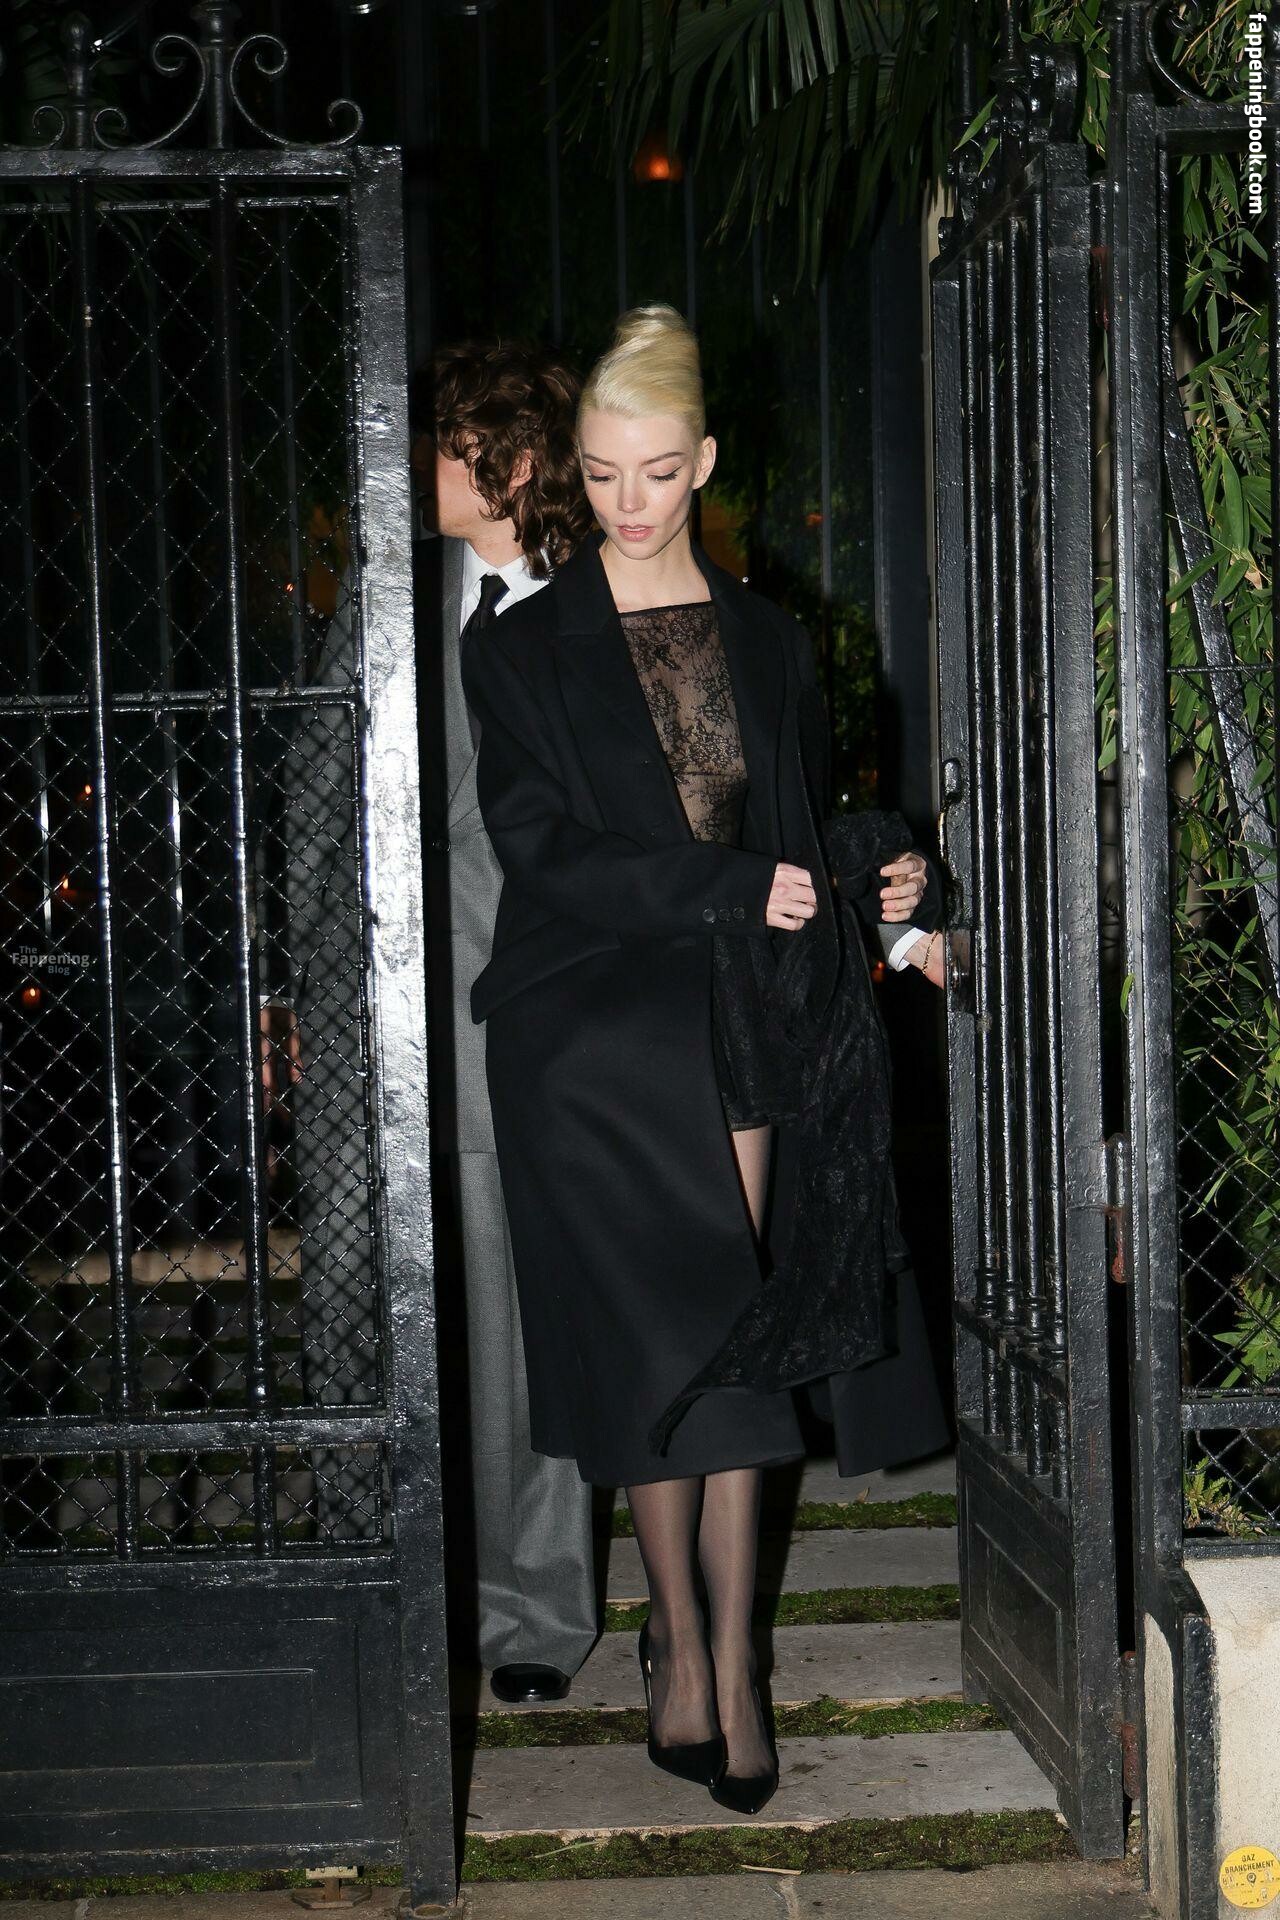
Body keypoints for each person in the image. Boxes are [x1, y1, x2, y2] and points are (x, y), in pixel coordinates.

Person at [461, 304, 946, 1811]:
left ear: (706, 462)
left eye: (659, 472)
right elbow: (542, 853)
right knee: (655, 1343)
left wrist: (892, 890)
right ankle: (677, 1633)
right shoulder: (522, 648)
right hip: (588, 1032)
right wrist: (728, 889)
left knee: (734, 1336)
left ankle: (729, 1656)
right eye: (604, 472)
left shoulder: (769, 639)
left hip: (741, 1021)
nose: (628, 501)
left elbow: (795, 832)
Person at [412, 342, 599, 1704]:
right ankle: (418, 1590)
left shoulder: (602, 601)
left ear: (511, 466)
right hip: (406, 1016)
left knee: (532, 1317)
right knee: (424, 1320)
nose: (416, 466)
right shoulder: (395, 596)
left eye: (444, 443)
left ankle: (535, 1614)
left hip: (560, 1016)